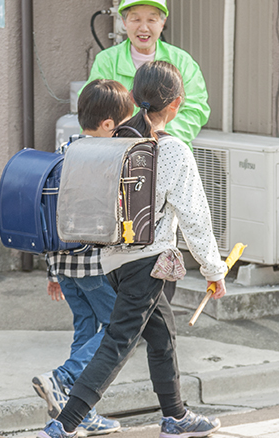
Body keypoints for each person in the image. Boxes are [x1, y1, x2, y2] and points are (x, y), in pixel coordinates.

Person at [37, 61, 228, 438]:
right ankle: (64, 424)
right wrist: (214, 269)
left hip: (112, 258)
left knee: (161, 334)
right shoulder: (170, 149)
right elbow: (195, 217)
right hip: (149, 259)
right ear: (174, 105)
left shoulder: (111, 141)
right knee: (119, 341)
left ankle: (175, 416)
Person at [33, 79, 133, 437]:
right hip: (94, 264)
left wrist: (52, 271)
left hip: (64, 263)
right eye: (121, 125)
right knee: (116, 329)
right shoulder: (106, 156)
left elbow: (48, 212)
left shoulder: (64, 151)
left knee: (85, 330)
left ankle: (79, 414)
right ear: (109, 125)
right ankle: (62, 377)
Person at [86, 0, 209, 148]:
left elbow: (196, 109)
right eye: (135, 19)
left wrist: (157, 138)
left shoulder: (182, 61)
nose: (143, 28)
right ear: (124, 22)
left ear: (162, 22)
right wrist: (127, 140)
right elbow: (93, 108)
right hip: (116, 152)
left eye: (151, 20)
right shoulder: (106, 60)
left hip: (167, 150)